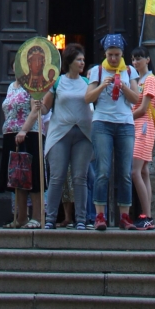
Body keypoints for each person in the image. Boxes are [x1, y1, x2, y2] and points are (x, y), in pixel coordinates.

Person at [85, 32, 141, 231]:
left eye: (117, 55)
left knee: (125, 172)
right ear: (105, 53)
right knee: (103, 170)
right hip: (102, 123)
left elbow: (136, 99)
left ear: (122, 53)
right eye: (110, 55)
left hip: (125, 124)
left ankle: (124, 216)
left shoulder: (130, 71)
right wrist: (103, 85)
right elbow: (88, 98)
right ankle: (100, 215)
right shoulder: (97, 71)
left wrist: (124, 87)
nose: (114, 59)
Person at [40, 43, 93, 230]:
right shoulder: (57, 82)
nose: (82, 63)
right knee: (57, 176)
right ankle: (50, 218)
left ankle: (81, 219)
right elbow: (45, 108)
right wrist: (38, 103)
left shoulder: (87, 83)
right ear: (69, 61)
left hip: (83, 134)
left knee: (80, 177)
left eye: (83, 60)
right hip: (60, 134)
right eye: (79, 59)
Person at [0, 77, 41, 227]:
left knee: (32, 176)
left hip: (29, 134)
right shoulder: (11, 86)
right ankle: (21, 217)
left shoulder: (33, 84)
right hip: (11, 134)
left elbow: (35, 110)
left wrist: (24, 130)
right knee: (17, 177)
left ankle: (37, 217)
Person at [130, 46, 155, 230]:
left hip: (144, 126)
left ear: (147, 59)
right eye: (133, 59)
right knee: (143, 172)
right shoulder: (137, 80)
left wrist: (125, 118)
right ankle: (148, 215)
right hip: (136, 126)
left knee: (135, 171)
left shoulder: (150, 79)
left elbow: (143, 108)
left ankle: (146, 215)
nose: (135, 62)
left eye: (139, 58)